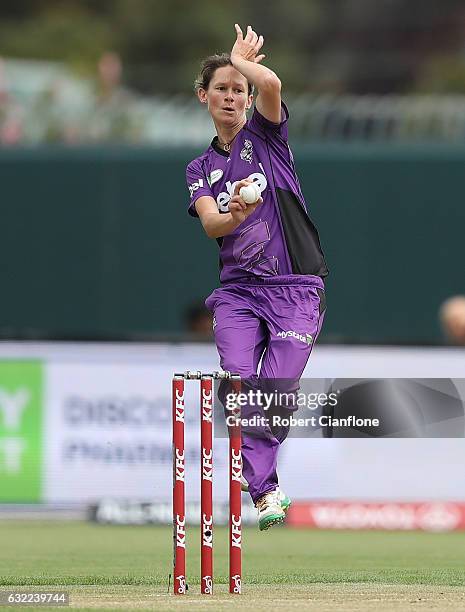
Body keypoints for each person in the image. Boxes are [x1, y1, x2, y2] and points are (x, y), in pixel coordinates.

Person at [186, 24, 328, 530]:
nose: (231, 96)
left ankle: (263, 484)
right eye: (221, 88)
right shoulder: (200, 167)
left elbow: (272, 87)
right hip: (238, 293)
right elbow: (211, 224)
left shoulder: (266, 134)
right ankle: (265, 493)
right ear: (204, 97)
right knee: (240, 385)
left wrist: (243, 62)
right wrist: (238, 215)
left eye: (237, 89)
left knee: (278, 392)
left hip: (295, 287)